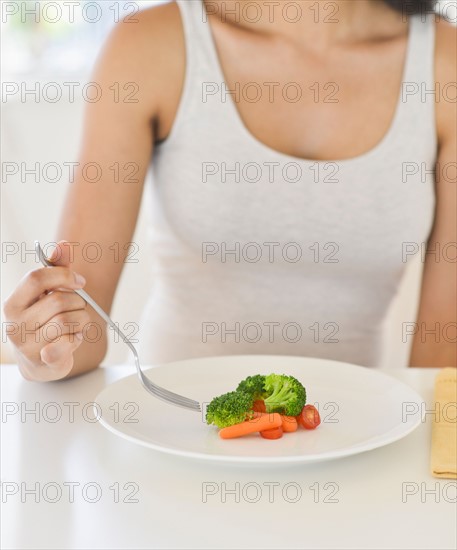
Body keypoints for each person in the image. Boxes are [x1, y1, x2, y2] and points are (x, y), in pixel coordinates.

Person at [3, 0, 456, 381]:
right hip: (171, 434)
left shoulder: (443, 64)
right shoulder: (150, 46)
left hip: (352, 443)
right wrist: (45, 346)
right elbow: (82, 326)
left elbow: (443, 368)